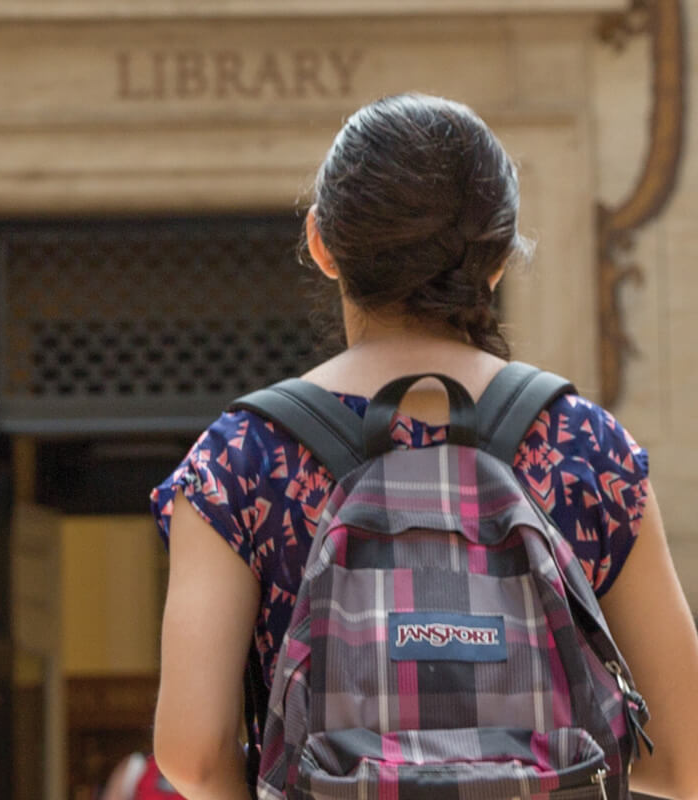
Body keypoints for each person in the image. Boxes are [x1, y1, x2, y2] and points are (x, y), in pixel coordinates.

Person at [150, 94, 698, 800]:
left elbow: (192, 754)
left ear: (322, 244)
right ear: (497, 258)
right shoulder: (588, 449)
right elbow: (684, 762)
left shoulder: (244, 457)